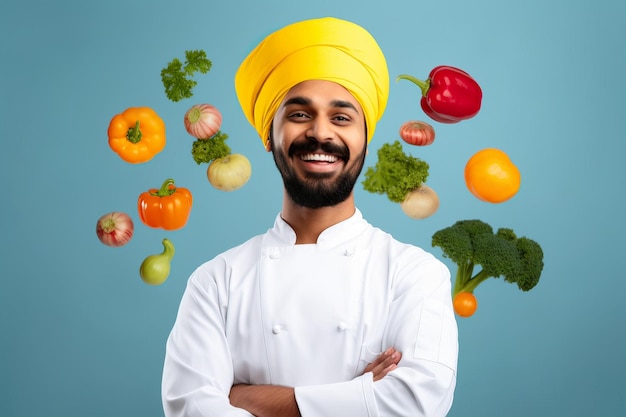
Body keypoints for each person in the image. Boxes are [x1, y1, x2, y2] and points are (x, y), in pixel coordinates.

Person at [161, 17, 458, 417]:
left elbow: (415, 404)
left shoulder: (415, 274)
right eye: (300, 114)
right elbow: (188, 409)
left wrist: (242, 398)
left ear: (364, 140)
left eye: (341, 118)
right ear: (269, 135)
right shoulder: (217, 282)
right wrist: (359, 395)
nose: (321, 133)